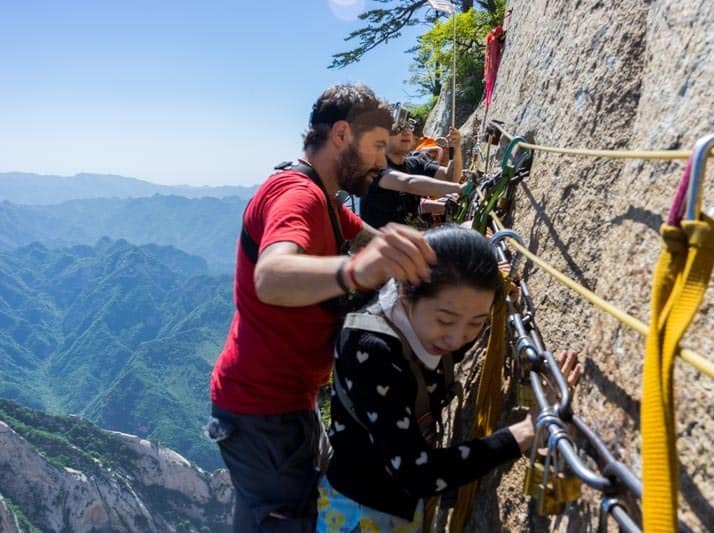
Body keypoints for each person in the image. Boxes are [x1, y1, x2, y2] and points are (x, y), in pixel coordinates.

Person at [208, 83, 439, 532]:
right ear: (340, 135)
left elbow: (378, 242)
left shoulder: (327, 201)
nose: (380, 160)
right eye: (375, 146)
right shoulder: (299, 196)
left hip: (280, 404)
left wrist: (447, 249)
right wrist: (355, 272)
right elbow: (272, 276)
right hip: (263, 410)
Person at [318, 225, 582, 531]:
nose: (458, 337)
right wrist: (524, 431)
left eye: (477, 322)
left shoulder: (424, 323)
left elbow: (453, 339)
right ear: (405, 291)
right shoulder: (368, 348)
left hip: (392, 504)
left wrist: (498, 287)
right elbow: (416, 473)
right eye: (446, 320)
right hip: (359, 511)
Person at [359, 107, 464, 229]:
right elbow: (408, 183)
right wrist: (461, 189)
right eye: (398, 128)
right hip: (382, 244)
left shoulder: (415, 163)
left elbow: (450, 178)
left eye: (409, 127)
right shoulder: (375, 167)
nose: (407, 132)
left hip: (407, 240)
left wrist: (455, 148)